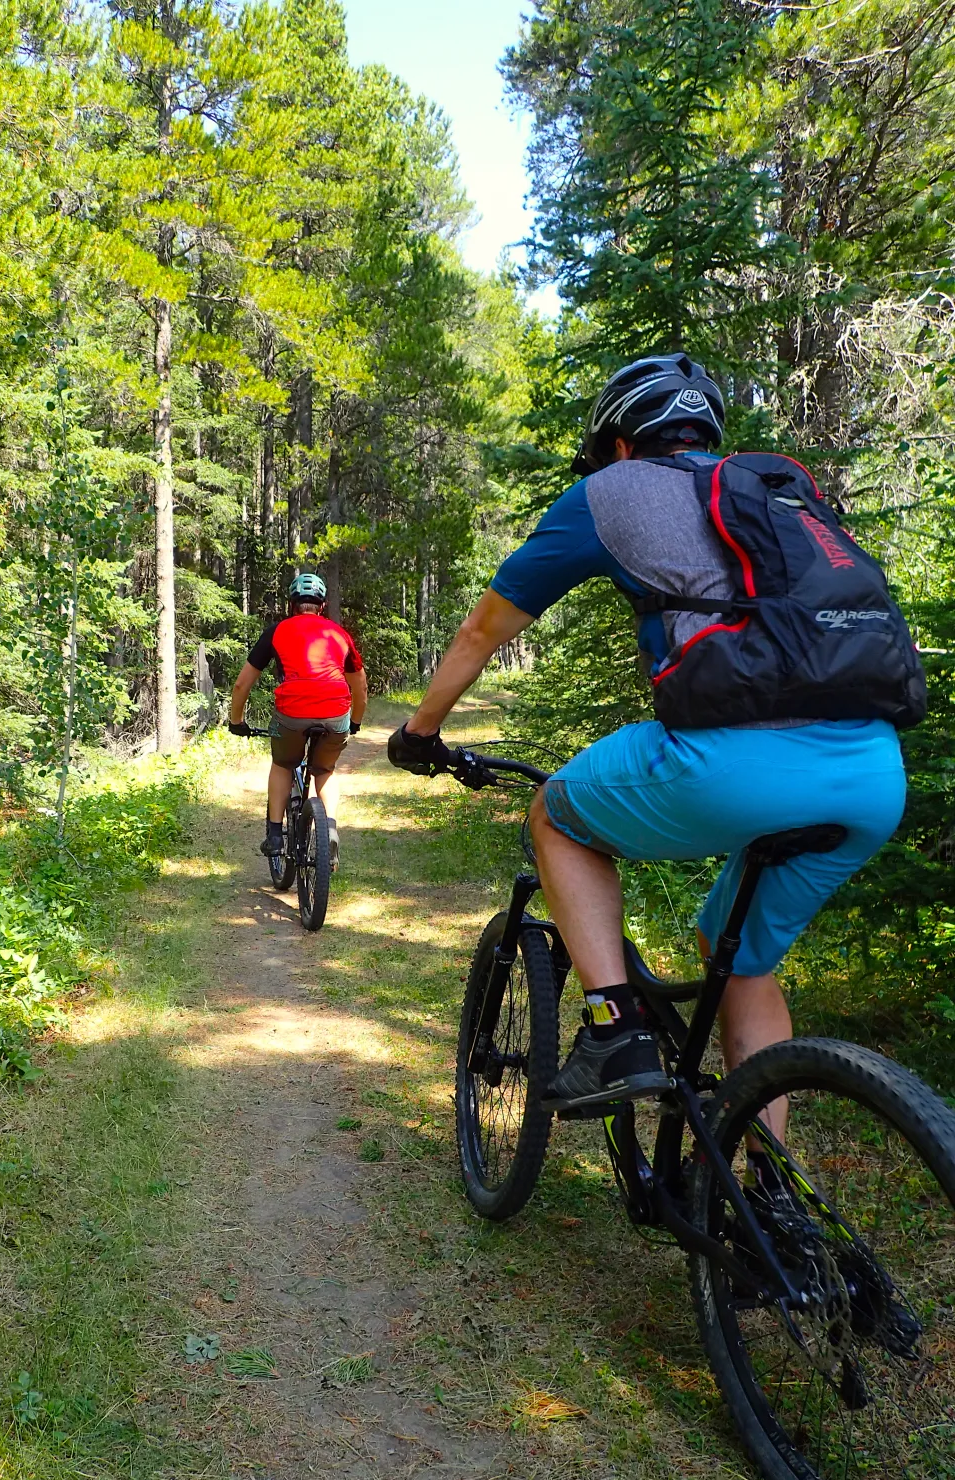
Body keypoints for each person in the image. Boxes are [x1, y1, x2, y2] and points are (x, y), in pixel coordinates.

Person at [388, 354, 909, 1122]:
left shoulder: (608, 490)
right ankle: (770, 1203)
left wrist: (420, 730)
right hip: (871, 772)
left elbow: (482, 628)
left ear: (622, 444)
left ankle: (615, 1027)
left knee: (558, 814)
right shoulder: (778, 494)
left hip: (732, 763)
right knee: (742, 965)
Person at [229, 572, 368, 868]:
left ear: (292, 604)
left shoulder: (276, 632)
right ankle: (328, 829)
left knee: (282, 764)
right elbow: (360, 686)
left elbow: (242, 685)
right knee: (325, 770)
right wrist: (354, 721)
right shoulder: (339, 634)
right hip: (335, 713)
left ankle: (276, 835)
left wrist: (236, 720)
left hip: (291, 714)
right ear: (322, 604)